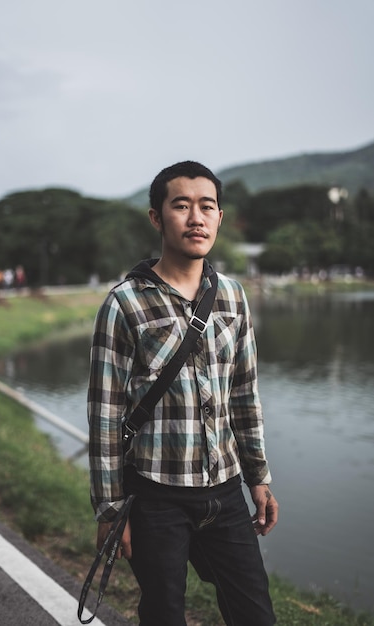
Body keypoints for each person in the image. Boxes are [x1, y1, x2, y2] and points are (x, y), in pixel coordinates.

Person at [88, 161, 278, 626]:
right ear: (157, 217)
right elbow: (105, 415)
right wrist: (110, 509)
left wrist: (259, 476)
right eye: (182, 205)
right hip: (155, 497)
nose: (196, 217)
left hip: (227, 492)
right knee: (164, 614)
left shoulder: (233, 296)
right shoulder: (124, 303)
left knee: (256, 613)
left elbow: (244, 395)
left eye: (207, 206)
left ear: (219, 217)